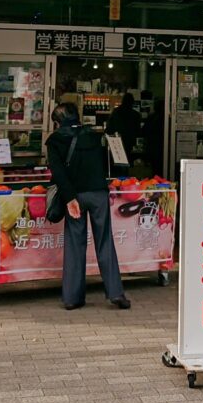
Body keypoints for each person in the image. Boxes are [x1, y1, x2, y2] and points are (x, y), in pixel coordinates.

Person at [45, 102, 130, 311]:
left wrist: (70, 198)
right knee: (105, 242)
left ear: (57, 122)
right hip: (99, 193)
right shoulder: (94, 136)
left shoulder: (55, 140)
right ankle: (116, 293)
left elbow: (58, 172)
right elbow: (110, 163)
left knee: (75, 244)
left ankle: (72, 298)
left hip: (76, 196)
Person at [105, 93, 142, 165]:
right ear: (132, 102)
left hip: (117, 142)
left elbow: (109, 128)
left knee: (118, 163)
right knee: (129, 161)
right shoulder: (136, 115)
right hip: (130, 143)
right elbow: (138, 131)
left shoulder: (116, 112)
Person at [141, 98, 166, 177]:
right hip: (163, 148)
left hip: (152, 147)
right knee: (161, 168)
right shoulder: (166, 119)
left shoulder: (151, 117)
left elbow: (144, 131)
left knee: (154, 169)